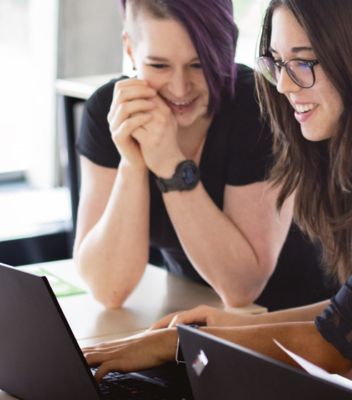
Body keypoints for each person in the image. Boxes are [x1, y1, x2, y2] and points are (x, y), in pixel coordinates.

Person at [83, 0, 352, 398]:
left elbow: (335, 344)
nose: (282, 84)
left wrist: (175, 344)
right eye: (278, 62)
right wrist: (222, 329)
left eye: (302, 62)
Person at [74, 0, 335, 312]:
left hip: (302, 320)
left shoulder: (258, 108)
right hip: (194, 315)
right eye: (159, 65)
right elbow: (108, 289)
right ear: (130, 49)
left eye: (198, 64)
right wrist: (132, 164)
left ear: (227, 48)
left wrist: (171, 166)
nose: (180, 87)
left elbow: (242, 288)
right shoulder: (111, 111)